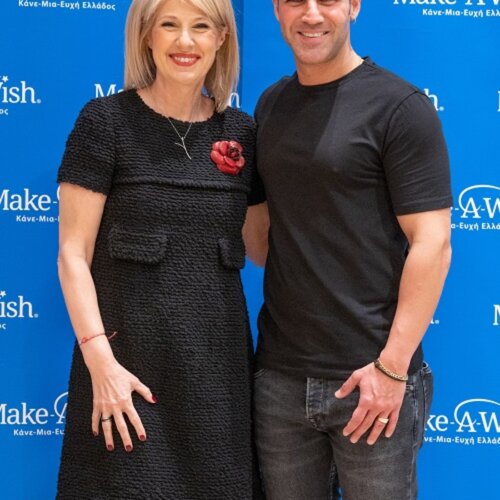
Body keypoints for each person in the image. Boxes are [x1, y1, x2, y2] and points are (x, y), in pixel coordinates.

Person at [56, 0, 265, 498]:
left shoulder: (242, 132)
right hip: (124, 375)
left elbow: (264, 247)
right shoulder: (105, 122)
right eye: (169, 25)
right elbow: (72, 255)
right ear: (147, 36)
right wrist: (101, 365)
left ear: (221, 39)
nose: (184, 41)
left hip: (217, 381)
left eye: (200, 26)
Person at [250, 1, 453, 499]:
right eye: (296, 1)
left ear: (353, 7)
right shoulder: (270, 104)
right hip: (280, 379)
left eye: (327, 1)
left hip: (373, 377)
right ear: (277, 10)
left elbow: (433, 243)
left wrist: (391, 368)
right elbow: (260, 242)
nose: (311, 14)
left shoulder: (400, 107)